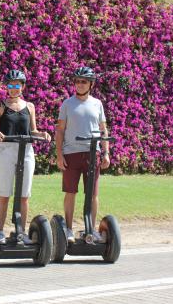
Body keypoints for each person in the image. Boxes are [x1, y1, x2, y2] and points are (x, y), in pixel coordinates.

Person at [0, 69, 51, 245]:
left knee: (24, 195)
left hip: (26, 150)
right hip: (6, 150)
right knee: (4, 193)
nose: (14, 88)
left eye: (17, 85)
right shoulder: (0, 105)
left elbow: (33, 130)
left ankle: (21, 232)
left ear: (22, 86)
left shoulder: (29, 106)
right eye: (10, 85)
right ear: (6, 86)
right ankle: (0, 232)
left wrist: (42, 134)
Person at [55, 66, 110, 243]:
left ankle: (91, 230)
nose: (79, 84)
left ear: (90, 84)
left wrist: (106, 153)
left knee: (92, 194)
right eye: (77, 81)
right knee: (71, 192)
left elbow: (103, 130)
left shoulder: (97, 104)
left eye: (83, 81)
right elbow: (60, 130)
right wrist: (59, 154)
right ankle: (69, 229)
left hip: (93, 153)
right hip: (71, 153)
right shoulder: (67, 104)